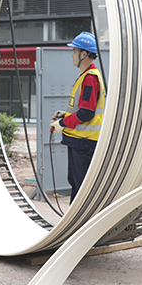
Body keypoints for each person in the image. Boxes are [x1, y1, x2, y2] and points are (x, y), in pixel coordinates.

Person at [50, 31, 104, 203]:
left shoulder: (90, 79)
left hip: (84, 143)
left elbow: (86, 113)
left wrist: (63, 122)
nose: (72, 55)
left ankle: (80, 226)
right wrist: (66, 115)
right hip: (80, 141)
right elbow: (84, 109)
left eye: (74, 51)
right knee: (76, 182)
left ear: (84, 54)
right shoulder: (86, 77)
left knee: (81, 188)